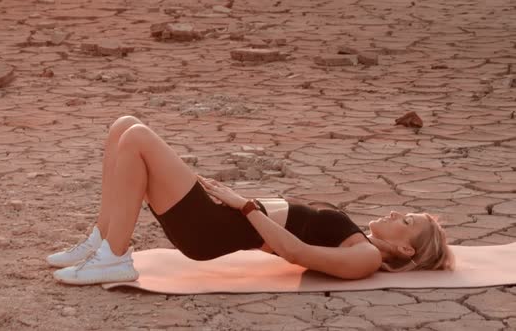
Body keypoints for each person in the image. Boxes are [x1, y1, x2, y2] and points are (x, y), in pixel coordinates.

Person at [47, 116, 455, 285]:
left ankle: (115, 258)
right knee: (124, 127)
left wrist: (245, 206)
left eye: (409, 220)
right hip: (220, 217)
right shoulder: (359, 241)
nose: (399, 212)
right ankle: (100, 241)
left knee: (136, 137)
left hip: (213, 229)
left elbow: (294, 251)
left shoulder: (366, 258)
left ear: (404, 247)